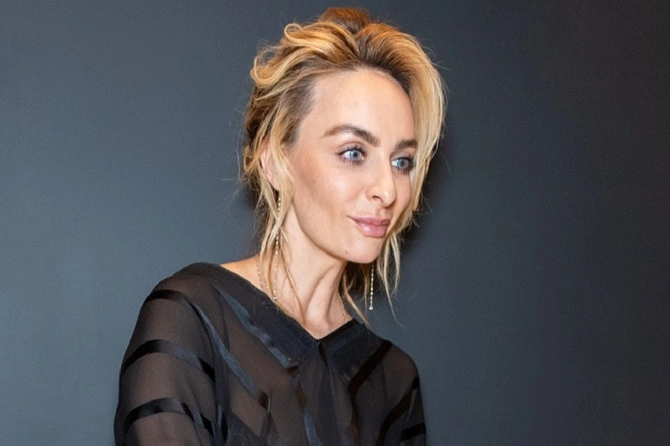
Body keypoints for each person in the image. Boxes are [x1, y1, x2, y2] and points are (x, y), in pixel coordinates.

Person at [114, 6, 445, 445]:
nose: (387, 189)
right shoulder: (191, 320)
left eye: (401, 161)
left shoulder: (393, 382)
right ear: (274, 160)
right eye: (353, 153)